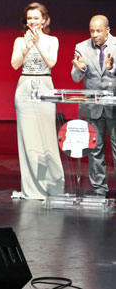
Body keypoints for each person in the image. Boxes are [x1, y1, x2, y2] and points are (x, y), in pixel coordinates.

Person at [11, 2, 65, 200]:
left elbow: (51, 62)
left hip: (45, 85)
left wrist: (37, 43)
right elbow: (15, 64)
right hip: (24, 87)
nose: (33, 22)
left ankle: (53, 186)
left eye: (36, 18)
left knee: (46, 137)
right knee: (28, 139)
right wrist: (26, 46)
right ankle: (31, 188)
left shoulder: (52, 40)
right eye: (29, 18)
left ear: (44, 20)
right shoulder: (19, 40)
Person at [71, 15, 116, 198]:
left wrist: (112, 68)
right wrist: (80, 68)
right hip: (94, 107)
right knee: (95, 150)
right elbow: (75, 77)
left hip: (114, 107)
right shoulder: (81, 47)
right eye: (91, 31)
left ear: (108, 30)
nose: (94, 34)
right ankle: (99, 190)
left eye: (98, 31)